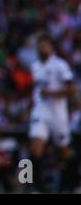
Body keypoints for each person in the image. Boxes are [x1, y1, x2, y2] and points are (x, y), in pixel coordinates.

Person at [28, 33, 76, 192]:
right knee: (35, 148)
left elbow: (71, 89)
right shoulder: (34, 66)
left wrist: (51, 94)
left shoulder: (60, 65)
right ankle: (35, 187)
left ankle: (73, 184)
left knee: (65, 153)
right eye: (39, 45)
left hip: (58, 115)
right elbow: (35, 91)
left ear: (51, 47)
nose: (41, 48)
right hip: (40, 113)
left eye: (44, 45)